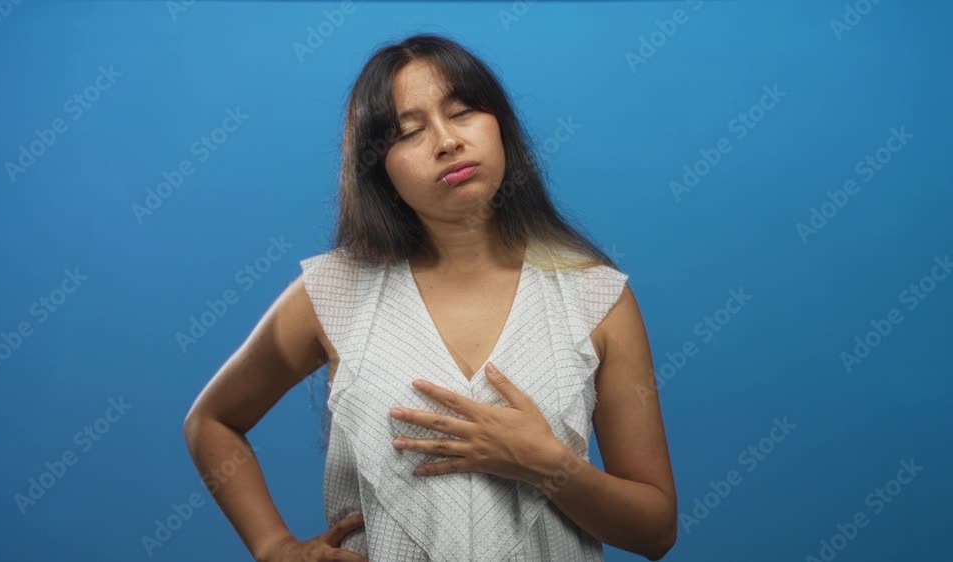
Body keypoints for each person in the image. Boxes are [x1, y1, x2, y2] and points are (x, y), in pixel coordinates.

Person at [183, 33, 677, 562]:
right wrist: (275, 546)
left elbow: (655, 531)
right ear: (380, 170)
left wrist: (549, 465)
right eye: (409, 132)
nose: (446, 141)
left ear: (501, 126)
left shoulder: (596, 298)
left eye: (462, 112)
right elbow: (211, 423)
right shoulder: (333, 292)